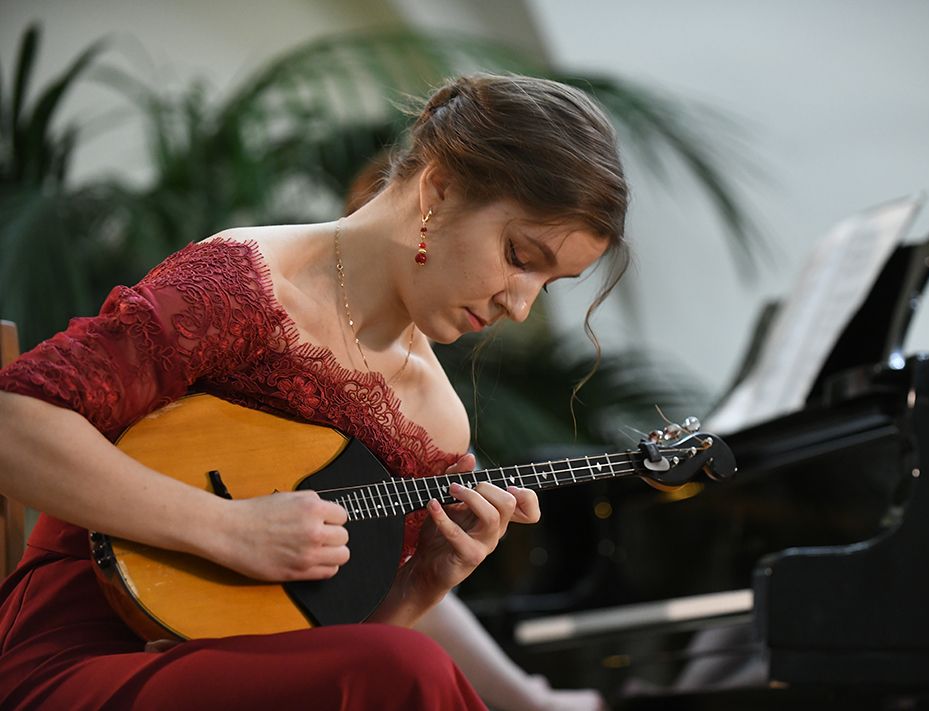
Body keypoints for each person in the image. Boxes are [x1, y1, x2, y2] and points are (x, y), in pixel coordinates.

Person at [0, 73, 629, 710]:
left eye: (547, 284)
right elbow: (12, 423)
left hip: (243, 680)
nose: (519, 307)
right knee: (410, 669)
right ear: (439, 189)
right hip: (80, 659)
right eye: (520, 256)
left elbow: (331, 646)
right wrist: (227, 528)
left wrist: (419, 585)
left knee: (404, 666)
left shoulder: (436, 422)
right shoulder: (244, 286)